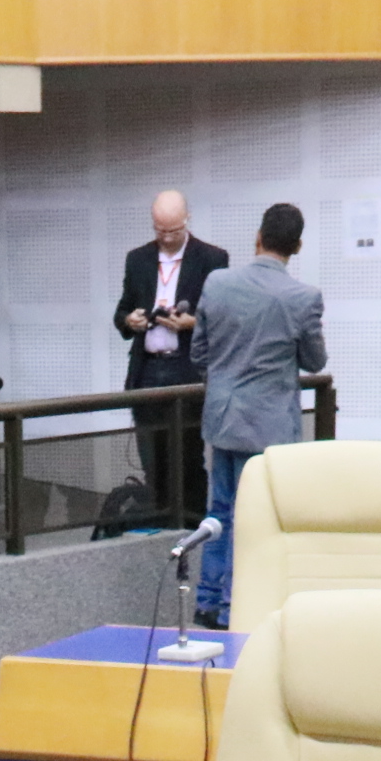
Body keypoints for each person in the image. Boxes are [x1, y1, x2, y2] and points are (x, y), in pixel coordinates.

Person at [191, 202, 325, 629]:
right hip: (269, 427)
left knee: (219, 511)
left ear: (258, 237)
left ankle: (207, 600)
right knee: (255, 519)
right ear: (297, 246)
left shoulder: (217, 282)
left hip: (223, 418)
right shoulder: (303, 298)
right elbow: (315, 361)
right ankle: (235, 606)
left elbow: (199, 353)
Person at [114, 190, 229, 525]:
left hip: (187, 368)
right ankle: (157, 523)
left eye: (173, 231)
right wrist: (130, 321)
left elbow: (222, 316)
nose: (166, 238)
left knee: (188, 456)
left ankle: (192, 524)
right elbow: (121, 311)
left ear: (187, 221)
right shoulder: (138, 259)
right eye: (159, 231)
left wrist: (192, 323)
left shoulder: (211, 258)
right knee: (153, 457)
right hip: (148, 368)